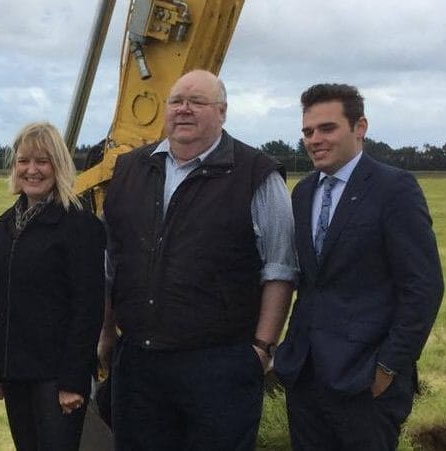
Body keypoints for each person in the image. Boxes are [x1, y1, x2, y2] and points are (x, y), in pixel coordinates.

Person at [99, 69, 298, 450]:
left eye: (197, 102)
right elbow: (111, 261)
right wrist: (106, 332)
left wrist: (261, 348)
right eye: (176, 101)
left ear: (222, 112)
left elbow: (280, 267)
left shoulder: (256, 174)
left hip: (219, 362)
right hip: (139, 362)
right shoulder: (130, 170)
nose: (184, 110)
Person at [274, 83, 444, 450]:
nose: (314, 139)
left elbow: (423, 286)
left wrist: (387, 368)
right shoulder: (303, 194)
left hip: (364, 383)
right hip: (305, 376)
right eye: (307, 131)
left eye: (327, 128)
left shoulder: (394, 189)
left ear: (360, 127)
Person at [0, 122, 105, 450]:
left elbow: (88, 307)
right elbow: (1, 301)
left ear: (60, 165)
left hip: (56, 378)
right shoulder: (7, 225)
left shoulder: (79, 225)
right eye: (24, 161)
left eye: (42, 161)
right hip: (17, 373)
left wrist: (74, 380)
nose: (32, 170)